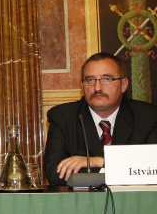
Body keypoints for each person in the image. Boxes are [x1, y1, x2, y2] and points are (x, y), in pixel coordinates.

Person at [44, 52, 157, 185]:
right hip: (83, 198)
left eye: (106, 79)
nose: (97, 88)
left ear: (123, 84)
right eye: (90, 80)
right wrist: (121, 169)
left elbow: (152, 166)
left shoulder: (148, 116)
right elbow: (55, 173)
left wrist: (98, 161)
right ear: (82, 85)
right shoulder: (62, 116)